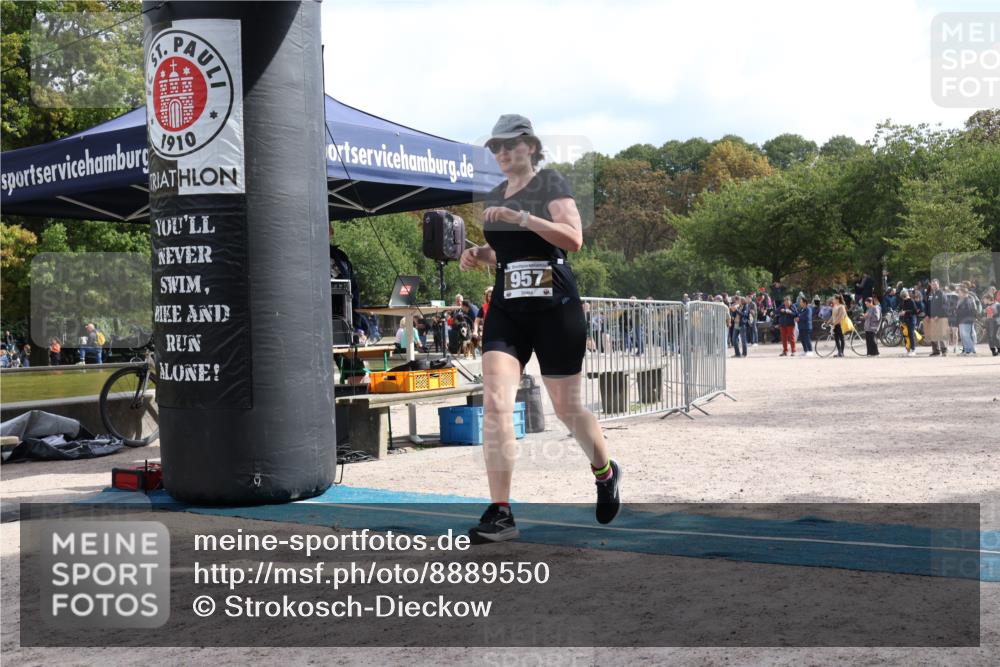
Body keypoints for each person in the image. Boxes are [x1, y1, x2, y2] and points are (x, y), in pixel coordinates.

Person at [459, 113, 620, 542]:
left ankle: (604, 471)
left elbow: (572, 238)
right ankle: (501, 512)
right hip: (508, 309)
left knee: (567, 408)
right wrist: (478, 253)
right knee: (495, 403)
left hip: (555, 307)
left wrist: (523, 219)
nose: (503, 152)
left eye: (512, 144)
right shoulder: (494, 194)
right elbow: (507, 254)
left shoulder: (549, 183)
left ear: (531, 146)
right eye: (496, 147)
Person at [924, 279, 949, 357]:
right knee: (933, 335)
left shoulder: (941, 293)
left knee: (941, 334)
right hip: (931, 318)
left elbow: (944, 306)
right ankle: (936, 351)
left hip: (940, 318)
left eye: (935, 284)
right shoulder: (930, 294)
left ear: (938, 284)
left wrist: (938, 315)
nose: (934, 285)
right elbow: (927, 305)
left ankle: (944, 350)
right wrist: (927, 315)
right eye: (932, 284)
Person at [955, 285, 979, 355]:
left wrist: (957, 311)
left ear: (964, 293)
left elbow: (968, 311)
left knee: (966, 335)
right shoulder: (961, 300)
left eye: (959, 292)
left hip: (967, 320)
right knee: (963, 336)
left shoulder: (968, 300)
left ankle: (972, 350)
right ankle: (966, 350)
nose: (959, 294)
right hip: (962, 320)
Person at [898, 289, 919, 356]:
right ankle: (908, 349)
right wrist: (901, 313)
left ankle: (913, 350)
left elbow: (915, 311)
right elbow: (902, 309)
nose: (904, 298)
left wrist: (906, 312)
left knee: (911, 334)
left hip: (911, 320)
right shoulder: (904, 301)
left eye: (904, 297)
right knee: (906, 335)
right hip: (905, 320)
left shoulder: (911, 301)